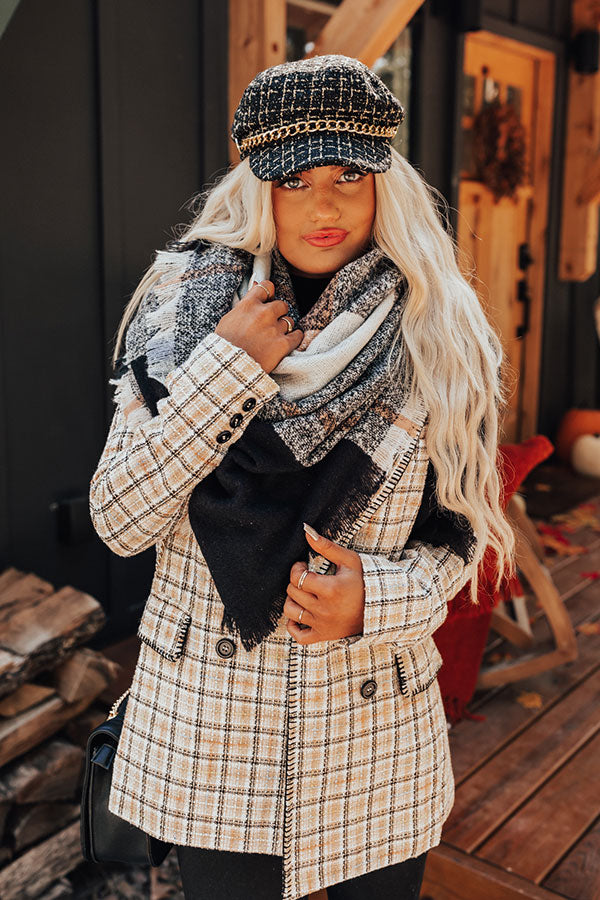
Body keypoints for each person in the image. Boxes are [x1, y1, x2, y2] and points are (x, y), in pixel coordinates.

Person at [89, 54, 515, 900]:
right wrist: (228, 367)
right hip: (212, 727)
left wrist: (379, 600)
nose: (324, 206)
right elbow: (120, 519)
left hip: (374, 725)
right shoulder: (179, 309)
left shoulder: (438, 328)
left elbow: (459, 533)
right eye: (293, 180)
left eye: (349, 176)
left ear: (383, 184)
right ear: (257, 186)